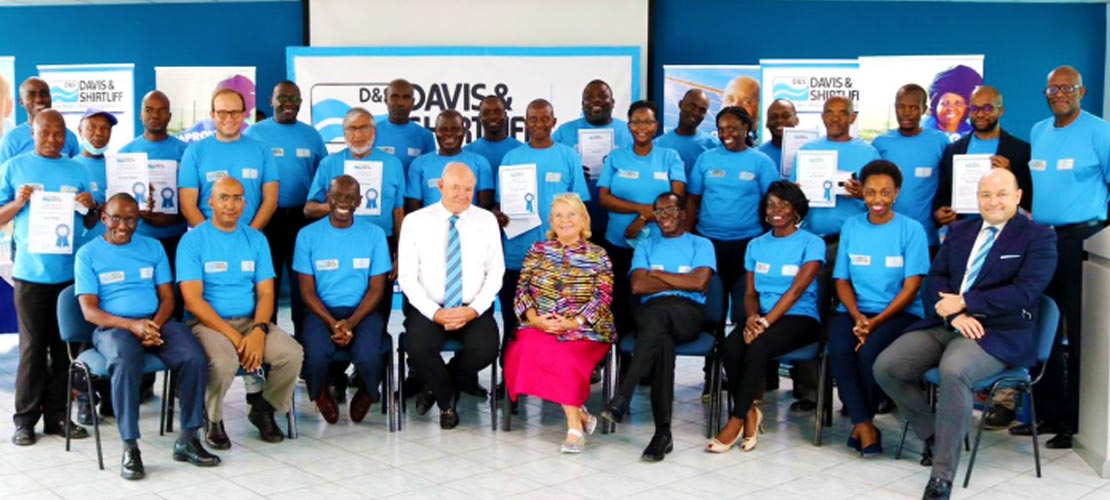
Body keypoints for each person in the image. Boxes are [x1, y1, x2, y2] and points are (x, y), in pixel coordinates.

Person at [874, 168, 1056, 500]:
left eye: (1002, 194)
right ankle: (933, 435)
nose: (993, 201)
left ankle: (942, 475)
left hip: (998, 332)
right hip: (950, 324)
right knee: (887, 365)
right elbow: (935, 279)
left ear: (1018, 197)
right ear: (977, 198)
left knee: (954, 371)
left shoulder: (1039, 237)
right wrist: (956, 313)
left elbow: (1026, 292)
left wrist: (967, 301)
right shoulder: (960, 231)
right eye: (986, 194)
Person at [75, 193, 218, 480]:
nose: (123, 225)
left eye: (131, 219)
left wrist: (152, 325)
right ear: (103, 218)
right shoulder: (88, 254)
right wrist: (132, 327)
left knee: (194, 357)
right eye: (116, 218)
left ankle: (189, 437)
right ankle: (130, 446)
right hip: (113, 327)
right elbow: (90, 311)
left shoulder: (152, 247)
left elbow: (167, 297)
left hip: (157, 321)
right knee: (126, 361)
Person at [1019, 65, 1110, 450]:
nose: (1059, 93)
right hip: (1044, 241)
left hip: (1083, 240)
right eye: (1052, 88)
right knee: (1043, 328)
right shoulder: (1039, 131)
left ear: (1082, 92)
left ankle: (1075, 422)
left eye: (1067, 88)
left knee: (1080, 331)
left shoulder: (1100, 131)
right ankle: (1047, 413)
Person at [177, 177, 304, 449]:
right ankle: (213, 418)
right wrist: (237, 339)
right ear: (210, 202)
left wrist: (258, 331)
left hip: (250, 322)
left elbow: (267, 293)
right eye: (224, 197)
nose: (231, 205)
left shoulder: (256, 239)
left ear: (245, 203)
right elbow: (193, 300)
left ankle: (263, 407)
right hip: (207, 324)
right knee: (223, 361)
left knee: (291, 354)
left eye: (237, 198)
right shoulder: (192, 241)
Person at [0, 109, 99, 445]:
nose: (53, 140)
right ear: (33, 133)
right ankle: (25, 420)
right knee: (32, 349)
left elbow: (89, 221)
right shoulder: (14, 168)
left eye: (59, 134)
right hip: (30, 275)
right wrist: (17, 202)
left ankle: (58, 418)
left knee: (63, 351)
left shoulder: (77, 168)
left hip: (68, 276)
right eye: (46, 133)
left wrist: (91, 205)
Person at [707, 181, 824, 454]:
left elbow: (796, 292)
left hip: (799, 317)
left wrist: (765, 322)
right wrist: (751, 318)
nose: (776, 210)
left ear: (797, 210)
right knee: (730, 346)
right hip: (760, 317)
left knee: (757, 346)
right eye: (771, 205)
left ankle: (736, 420)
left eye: (784, 204)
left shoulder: (812, 243)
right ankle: (750, 413)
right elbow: (749, 292)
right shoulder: (755, 245)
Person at [601, 191, 715, 462]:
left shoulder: (701, 244)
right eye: (660, 211)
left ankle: (624, 395)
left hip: (688, 313)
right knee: (660, 336)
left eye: (672, 210)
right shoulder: (646, 244)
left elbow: (699, 283)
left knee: (658, 321)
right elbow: (639, 285)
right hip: (652, 312)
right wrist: (680, 278)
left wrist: (659, 275)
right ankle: (662, 434)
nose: (666, 216)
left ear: (684, 214)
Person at [828, 160, 929, 457]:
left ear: (897, 193)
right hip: (856, 311)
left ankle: (863, 424)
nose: (878, 200)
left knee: (871, 354)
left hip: (900, 312)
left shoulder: (912, 230)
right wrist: (859, 317)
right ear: (863, 193)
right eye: (871, 192)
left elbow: (911, 288)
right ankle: (865, 425)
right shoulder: (851, 227)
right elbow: (842, 280)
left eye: (885, 192)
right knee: (840, 349)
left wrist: (875, 322)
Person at [503, 193, 614, 453]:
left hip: (586, 330)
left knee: (561, 355)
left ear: (584, 219)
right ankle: (581, 416)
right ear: (551, 221)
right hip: (540, 324)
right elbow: (521, 291)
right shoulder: (537, 250)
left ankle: (574, 427)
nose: (565, 220)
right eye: (559, 215)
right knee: (525, 349)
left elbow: (603, 298)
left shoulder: (599, 255)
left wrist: (573, 322)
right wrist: (534, 318)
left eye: (571, 214)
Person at [788, 96, 879, 411]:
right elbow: (795, 204)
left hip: (851, 245)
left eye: (843, 113)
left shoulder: (867, 152)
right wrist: (799, 193)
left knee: (848, 315)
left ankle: (851, 392)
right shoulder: (808, 153)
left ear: (853, 117)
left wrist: (863, 194)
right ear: (822, 116)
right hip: (813, 243)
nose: (836, 118)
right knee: (809, 313)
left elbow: (879, 201)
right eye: (830, 112)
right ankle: (811, 391)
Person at [398, 163, 503, 429]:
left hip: (472, 308)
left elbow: (496, 272)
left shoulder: (486, 220)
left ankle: (436, 386)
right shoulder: (415, 221)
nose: (462, 194)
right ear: (441, 186)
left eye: (469, 189)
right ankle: (447, 404)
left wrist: (474, 309)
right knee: (419, 348)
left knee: (487, 348)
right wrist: (435, 312)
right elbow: (407, 277)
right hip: (429, 308)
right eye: (455, 187)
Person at [493, 99, 590, 366]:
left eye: (544, 118)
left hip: (560, 258)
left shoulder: (568, 156)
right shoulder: (512, 158)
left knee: (555, 319)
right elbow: (502, 204)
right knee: (516, 320)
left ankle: (550, 377)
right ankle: (512, 381)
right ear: (525, 123)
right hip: (518, 255)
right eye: (532, 119)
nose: (538, 124)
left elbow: (580, 206)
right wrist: (499, 213)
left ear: (553, 122)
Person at [295, 175, 391, 424]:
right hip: (321, 311)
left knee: (370, 354)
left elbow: (376, 289)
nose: (343, 202)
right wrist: (332, 322)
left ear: (359, 202)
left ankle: (368, 392)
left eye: (350, 198)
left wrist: (350, 322)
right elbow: (307, 291)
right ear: (328, 197)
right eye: (337, 196)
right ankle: (319, 393)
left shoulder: (375, 234)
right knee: (315, 354)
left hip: (363, 310)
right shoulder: (307, 235)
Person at [306, 107, 405, 336]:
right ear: (343, 132)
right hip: (336, 243)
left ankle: (369, 366)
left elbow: (398, 211)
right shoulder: (329, 163)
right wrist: (339, 207)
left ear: (374, 130)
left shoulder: (392, 164)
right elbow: (309, 208)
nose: (358, 134)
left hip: (381, 245)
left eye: (364, 128)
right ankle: (336, 368)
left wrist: (401, 253)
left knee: (377, 315)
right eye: (352, 128)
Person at [244, 81, 329, 339]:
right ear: (271, 100)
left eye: (294, 97)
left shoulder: (312, 135)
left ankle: (304, 349)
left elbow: (323, 177)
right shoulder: (253, 134)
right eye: (283, 97)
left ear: (301, 102)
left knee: (303, 286)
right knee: (265, 283)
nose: (289, 102)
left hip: (304, 221)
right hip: (267, 218)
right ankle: (265, 349)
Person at [597, 100, 685, 343]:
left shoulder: (670, 157)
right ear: (629, 125)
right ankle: (623, 365)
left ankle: (651, 363)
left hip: (659, 247)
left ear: (656, 125)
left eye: (647, 121)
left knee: (651, 304)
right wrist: (641, 209)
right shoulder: (616, 158)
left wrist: (645, 218)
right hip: (618, 244)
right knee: (621, 304)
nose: (641, 126)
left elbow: (676, 199)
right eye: (636, 121)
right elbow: (603, 198)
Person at [687, 106, 778, 300]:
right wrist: (688, 237)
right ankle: (714, 332)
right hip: (708, 242)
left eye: (731, 128)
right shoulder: (706, 158)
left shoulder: (761, 161)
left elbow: (772, 201)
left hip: (747, 243)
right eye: (721, 129)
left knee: (744, 300)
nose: (725, 133)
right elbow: (693, 199)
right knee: (710, 301)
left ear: (746, 127)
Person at [934, 86, 1033, 233]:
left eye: (987, 108)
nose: (980, 114)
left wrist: (1010, 175)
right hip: (963, 232)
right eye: (974, 109)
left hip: (1006, 233)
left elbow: (1029, 199)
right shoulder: (954, 150)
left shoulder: (1021, 150)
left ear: (1000, 111)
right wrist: (939, 213)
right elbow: (943, 193)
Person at [179, 88, 279, 232]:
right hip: (208, 242)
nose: (229, 118)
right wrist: (212, 237)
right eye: (222, 112)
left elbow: (270, 201)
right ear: (212, 115)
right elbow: (187, 205)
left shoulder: (262, 151)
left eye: (235, 112)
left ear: (244, 114)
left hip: (251, 239)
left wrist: (250, 235)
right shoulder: (194, 152)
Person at [872, 84, 953, 251]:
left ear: (924, 109)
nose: (906, 112)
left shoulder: (940, 141)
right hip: (886, 237)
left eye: (913, 107)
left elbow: (950, 183)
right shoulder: (880, 144)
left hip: (926, 238)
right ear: (895, 108)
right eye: (901, 107)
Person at [553, 80, 634, 237]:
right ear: (582, 104)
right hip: (573, 223)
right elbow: (550, 168)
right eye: (589, 97)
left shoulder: (629, 131)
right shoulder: (564, 132)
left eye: (602, 96)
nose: (596, 100)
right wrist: (572, 175)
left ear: (613, 102)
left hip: (619, 222)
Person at [120, 91, 190, 268]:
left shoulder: (186, 152)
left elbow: (194, 195)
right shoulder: (125, 154)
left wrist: (172, 217)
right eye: (149, 110)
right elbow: (119, 200)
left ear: (169, 116)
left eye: (161, 110)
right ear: (141, 114)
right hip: (138, 238)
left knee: (174, 291)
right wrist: (137, 211)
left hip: (176, 238)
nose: (155, 115)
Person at [405, 110, 494, 211]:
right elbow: (413, 208)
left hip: (470, 225)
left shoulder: (480, 162)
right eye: (443, 129)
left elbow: (486, 205)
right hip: (430, 225)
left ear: (464, 131)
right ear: (436, 132)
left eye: (455, 129)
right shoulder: (419, 164)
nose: (449, 133)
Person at [0, 77, 80, 163]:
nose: (39, 99)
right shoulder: (11, 139)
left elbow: (75, 169)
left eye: (44, 94)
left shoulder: (69, 136)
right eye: (31, 95)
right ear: (22, 102)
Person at [73, 109, 117, 248]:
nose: (98, 133)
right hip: (81, 249)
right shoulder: (69, 167)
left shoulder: (119, 167)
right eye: (91, 127)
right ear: (80, 131)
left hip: (116, 247)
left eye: (105, 128)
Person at [375, 78, 436, 173]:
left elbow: (429, 174)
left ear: (413, 102)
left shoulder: (426, 136)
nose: (400, 102)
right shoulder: (370, 133)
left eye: (406, 97)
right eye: (395, 97)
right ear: (386, 100)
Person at [655, 89, 715, 177]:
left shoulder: (714, 145)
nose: (696, 112)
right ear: (680, 104)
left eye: (702, 110)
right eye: (692, 106)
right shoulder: (658, 145)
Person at [464, 95, 524, 173]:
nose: (492, 117)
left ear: (505, 115)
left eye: (497, 112)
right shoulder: (467, 152)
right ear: (480, 117)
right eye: (486, 113)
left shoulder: (520, 150)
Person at [924, 65, 983, 140]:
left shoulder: (972, 131)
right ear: (935, 106)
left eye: (958, 104)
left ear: (966, 107)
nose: (951, 108)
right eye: (945, 103)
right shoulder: (921, 131)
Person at [757, 99, 800, 170]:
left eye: (785, 116)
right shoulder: (758, 154)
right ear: (767, 123)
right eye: (773, 117)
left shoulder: (806, 153)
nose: (779, 121)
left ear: (797, 120)